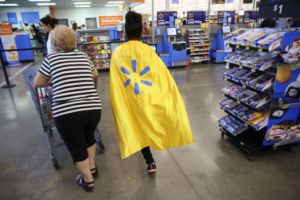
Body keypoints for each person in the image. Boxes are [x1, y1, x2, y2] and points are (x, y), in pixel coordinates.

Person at [109, 11, 194, 173]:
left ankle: (148, 158)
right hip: (147, 95)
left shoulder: (118, 53)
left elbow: (115, 82)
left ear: (125, 31)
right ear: (141, 31)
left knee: (135, 124)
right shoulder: (149, 51)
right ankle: (150, 161)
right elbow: (161, 76)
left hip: (129, 98)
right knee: (147, 123)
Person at [34, 25, 102, 192]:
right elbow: (95, 74)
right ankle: (92, 167)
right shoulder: (83, 56)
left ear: (54, 42)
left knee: (77, 146)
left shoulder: (51, 59)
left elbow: (38, 83)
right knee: (89, 137)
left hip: (67, 113)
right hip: (93, 109)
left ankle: (88, 180)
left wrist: (56, 80)